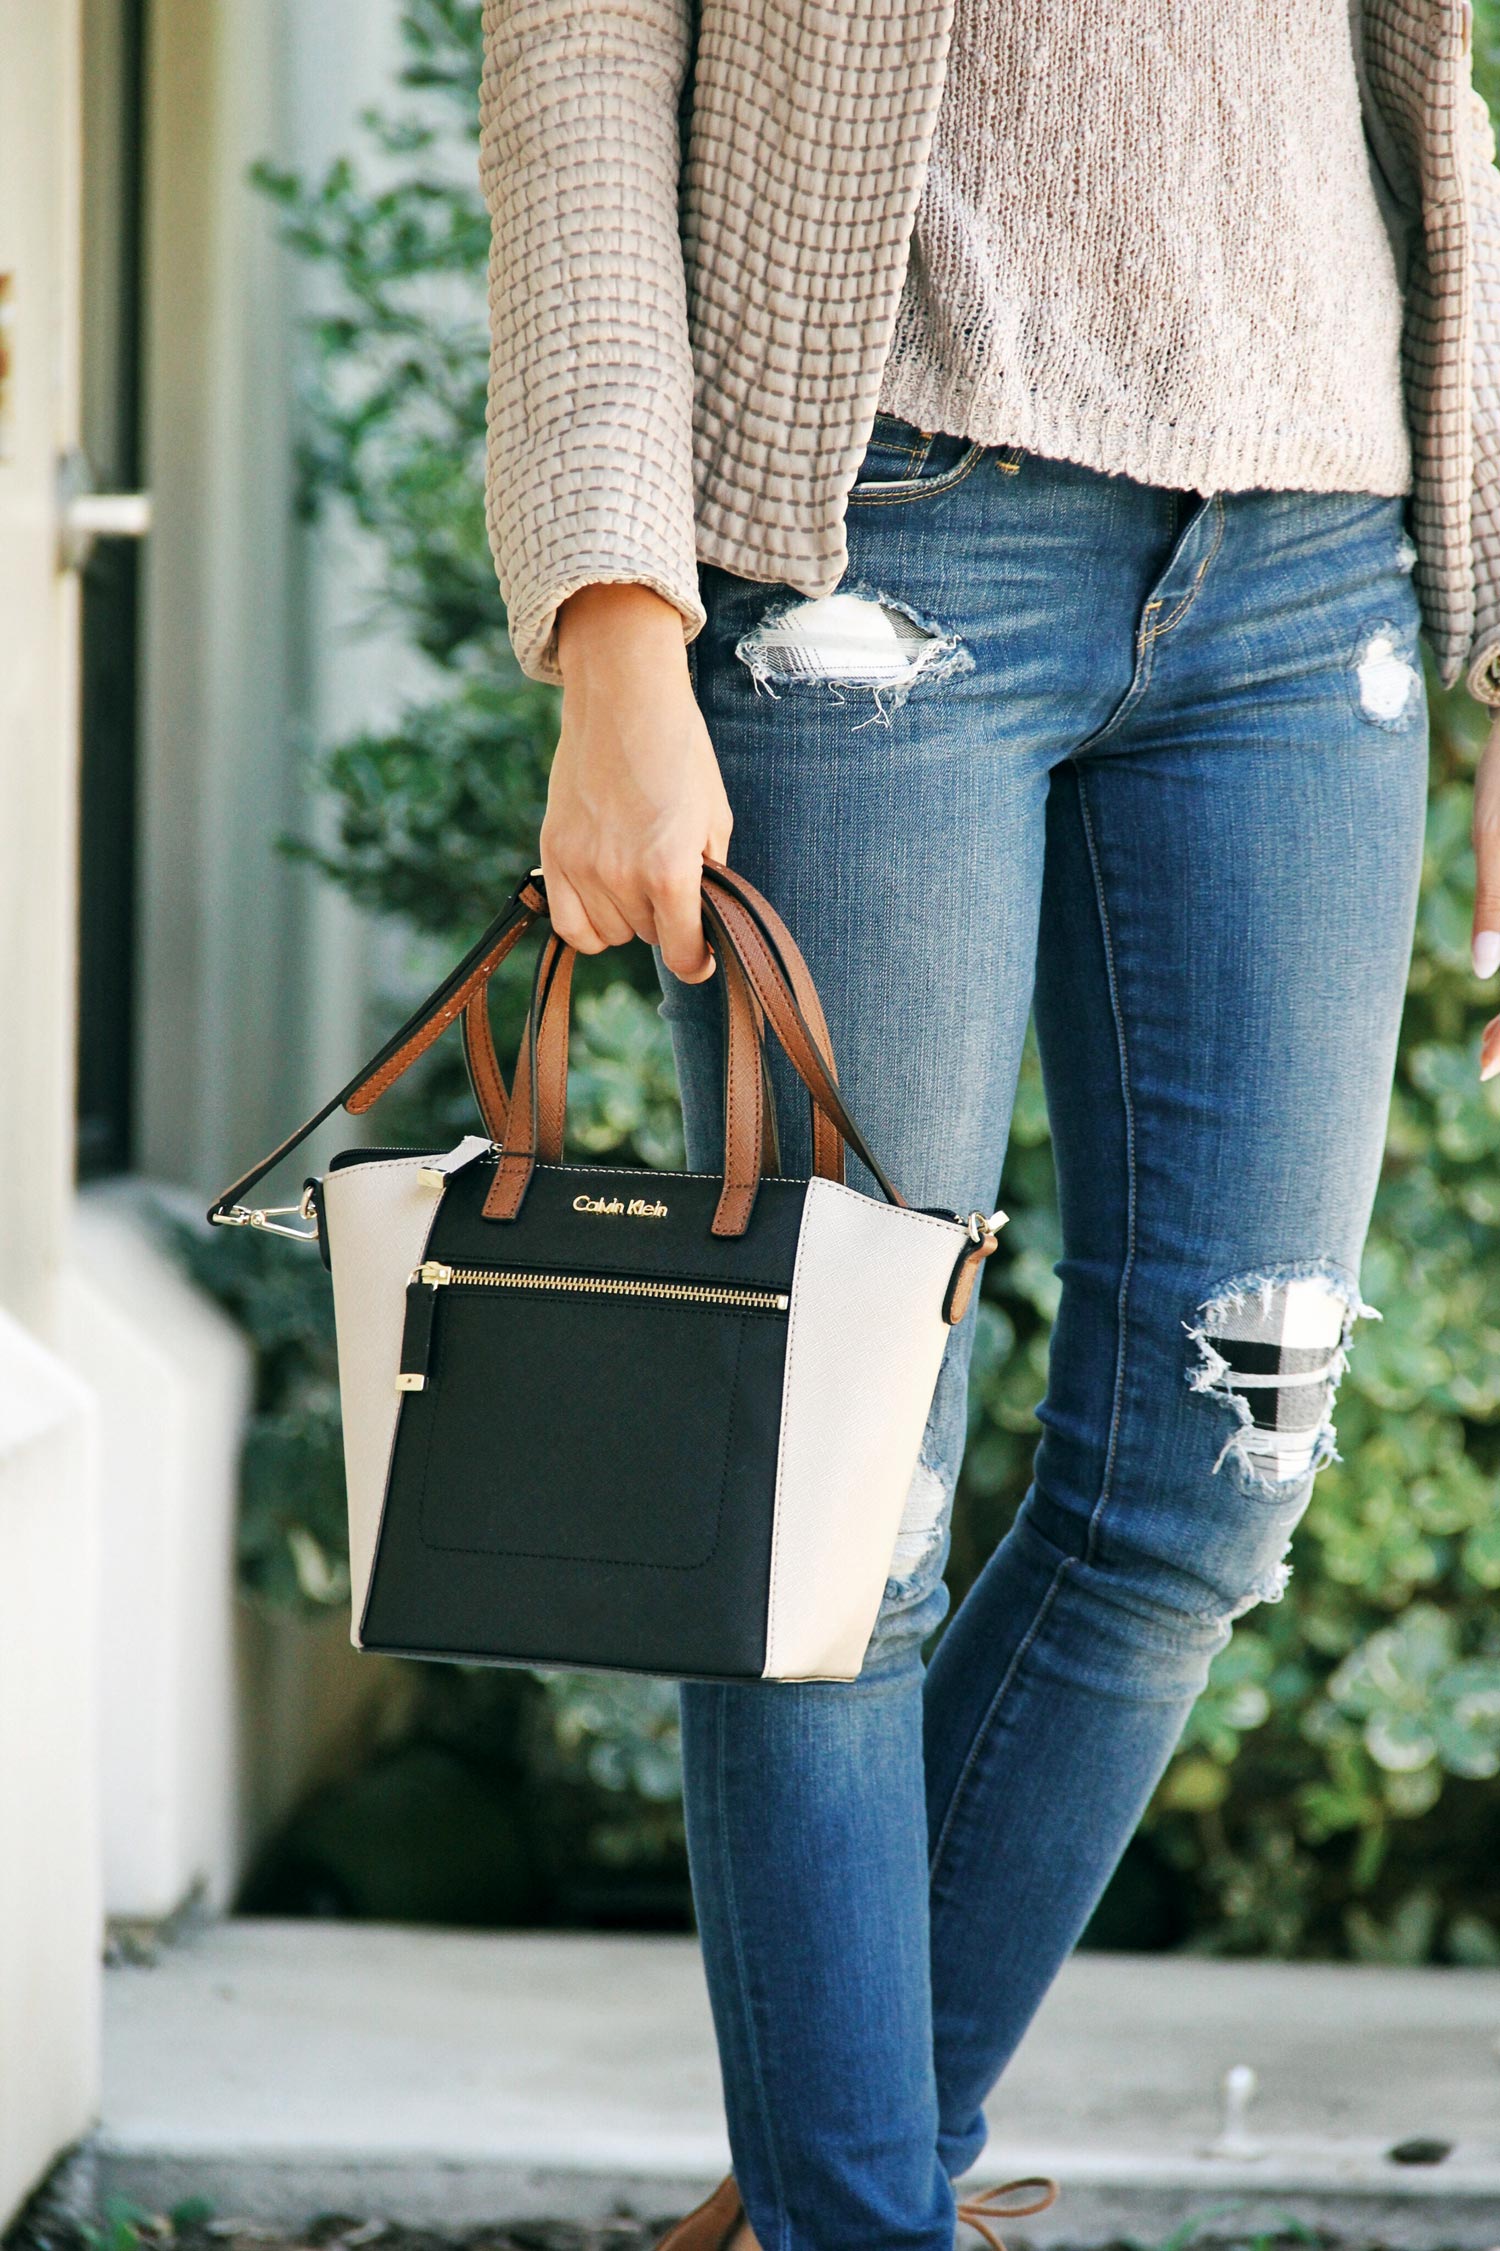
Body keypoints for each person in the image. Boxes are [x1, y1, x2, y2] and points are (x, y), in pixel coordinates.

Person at [478, 5, 1500, 2246]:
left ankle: (832, 2193)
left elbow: (1427, 93)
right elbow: (578, 54)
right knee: (841, 1500)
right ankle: (862, 2216)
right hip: (883, 532)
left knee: (1215, 1475)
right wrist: (618, 619)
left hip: (1316, 562)